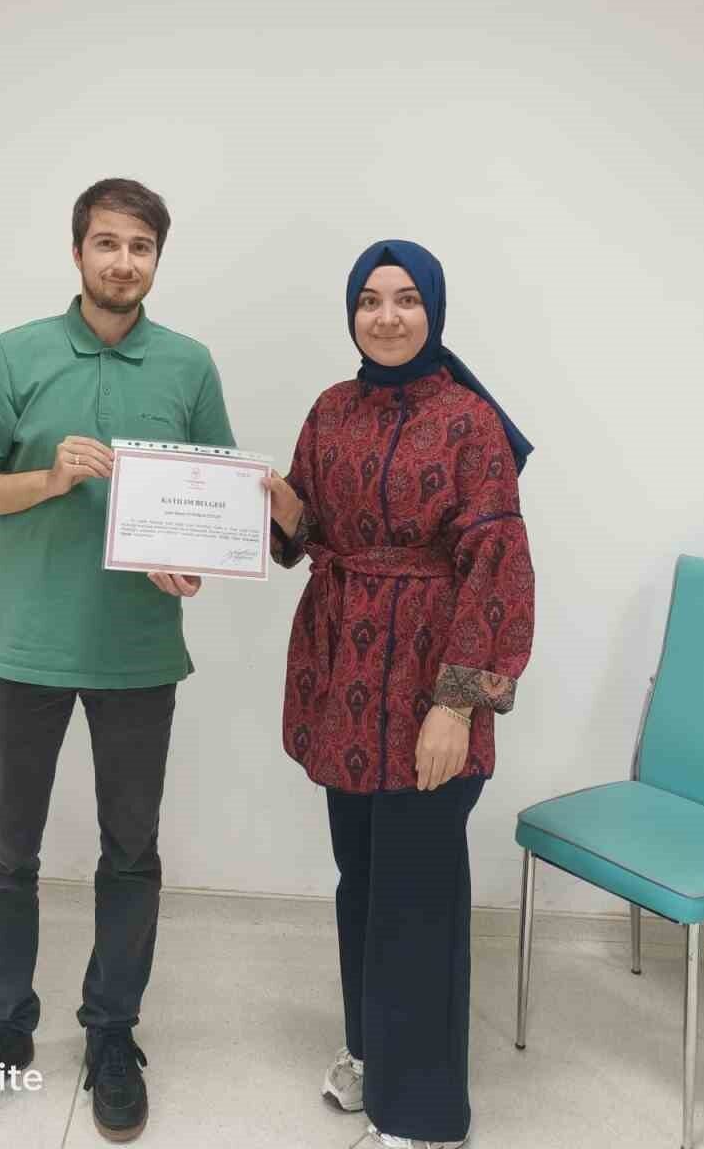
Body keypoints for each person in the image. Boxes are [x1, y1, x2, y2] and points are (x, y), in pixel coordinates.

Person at [0, 178, 235, 1141]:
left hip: (139, 653)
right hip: (23, 645)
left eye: (141, 246)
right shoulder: (16, 353)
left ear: (157, 260)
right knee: (6, 851)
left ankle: (111, 1035)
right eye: (107, 242)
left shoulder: (188, 364)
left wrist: (191, 562)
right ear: (77, 252)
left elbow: (214, 501)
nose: (123, 261)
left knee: (131, 853)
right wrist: (49, 479)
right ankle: (2, 1028)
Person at [263, 239, 535, 1149]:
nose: (386, 316)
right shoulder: (331, 409)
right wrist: (283, 512)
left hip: (429, 685)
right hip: (344, 679)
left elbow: (498, 567)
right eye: (370, 300)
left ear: (434, 311)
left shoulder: (469, 421)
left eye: (406, 299)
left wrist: (455, 706)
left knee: (418, 893)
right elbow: (314, 533)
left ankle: (422, 1116)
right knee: (364, 880)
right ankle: (372, 1051)